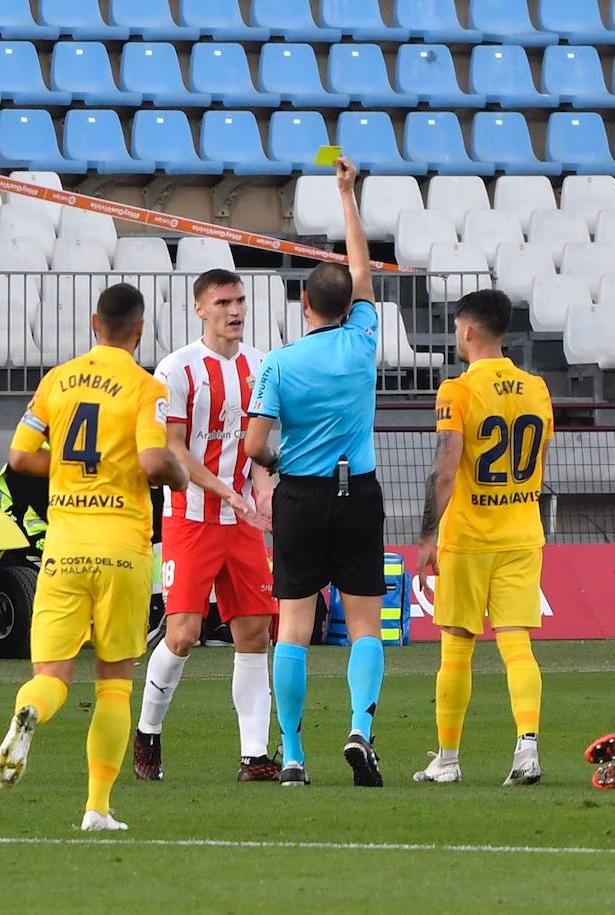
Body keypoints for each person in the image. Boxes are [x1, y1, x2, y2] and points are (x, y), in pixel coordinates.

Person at [0, 282, 189, 832]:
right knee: (114, 683)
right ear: (140, 328)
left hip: (64, 545)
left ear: (93, 323)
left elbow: (18, 457)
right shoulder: (145, 387)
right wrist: (177, 474)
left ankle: (31, 711)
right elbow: (152, 461)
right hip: (122, 550)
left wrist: (67, 471)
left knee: (52, 676)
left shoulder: (56, 380)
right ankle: (97, 807)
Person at [244, 156, 386, 788]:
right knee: (363, 626)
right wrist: (346, 196)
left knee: (295, 629)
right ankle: (359, 725)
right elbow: (362, 271)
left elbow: (253, 446)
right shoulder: (362, 343)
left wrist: (280, 463)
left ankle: (294, 753)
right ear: (348, 305)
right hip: (358, 492)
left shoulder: (277, 363)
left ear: (303, 302)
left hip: (300, 496)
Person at [134, 268, 280, 783]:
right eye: (222, 302)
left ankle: (255, 756)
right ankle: (148, 732)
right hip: (191, 517)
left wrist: (262, 488)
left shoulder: (262, 365)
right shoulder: (176, 370)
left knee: (255, 633)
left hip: (241, 522)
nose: (234, 310)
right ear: (200, 309)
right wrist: (221, 489)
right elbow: (173, 449)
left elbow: (259, 446)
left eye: (239, 300)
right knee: (183, 635)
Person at [412, 289, 553, 788]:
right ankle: (528, 749)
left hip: (469, 537)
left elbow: (445, 469)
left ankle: (448, 760)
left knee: (456, 646)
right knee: (517, 645)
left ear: (467, 331)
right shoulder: (537, 388)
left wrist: (427, 533)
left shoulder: (457, 390)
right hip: (521, 534)